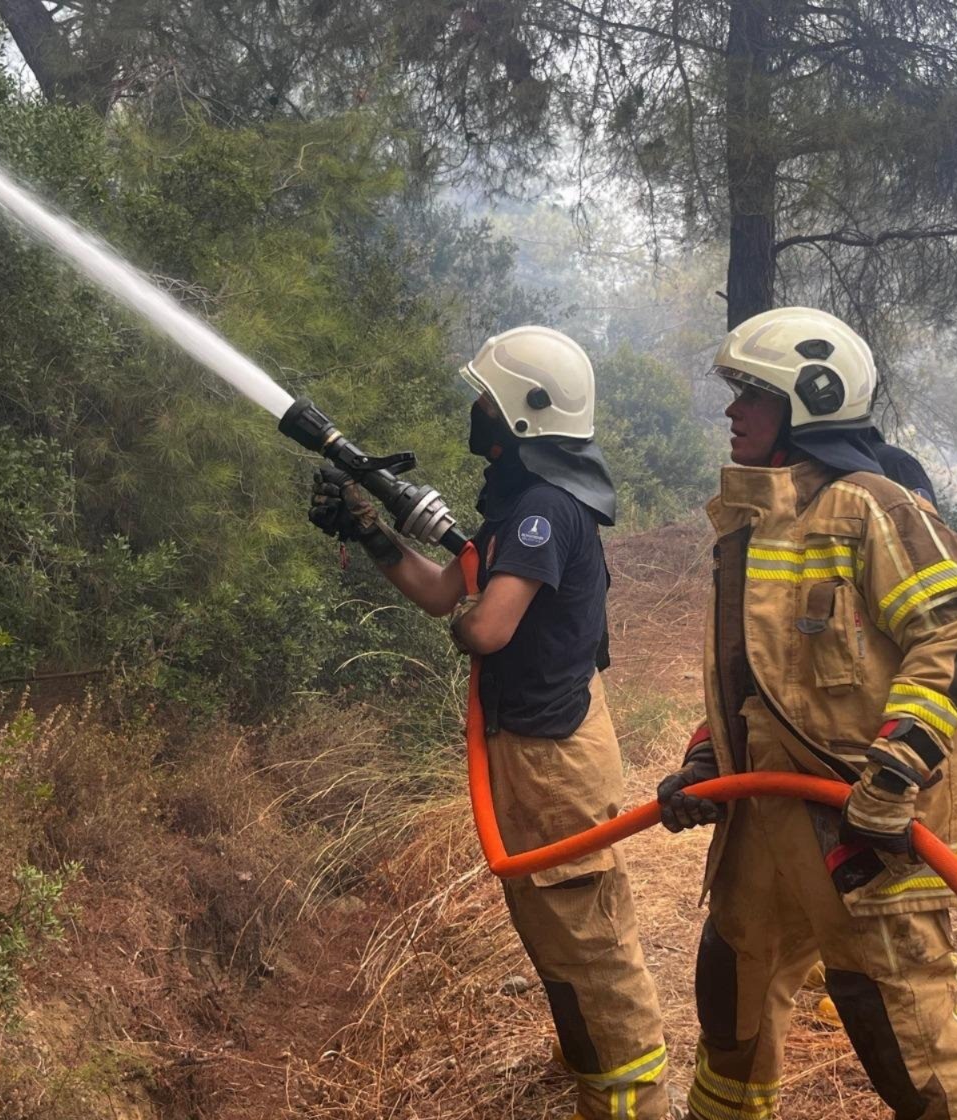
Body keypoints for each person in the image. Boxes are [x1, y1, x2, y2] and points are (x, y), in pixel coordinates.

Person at [308, 326, 672, 1120]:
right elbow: (447, 590)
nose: (473, 406)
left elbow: (483, 625)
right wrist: (370, 532)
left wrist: (469, 623)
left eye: (485, 395)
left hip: (555, 760)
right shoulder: (524, 503)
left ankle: (635, 1102)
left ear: (520, 415)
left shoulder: (544, 510)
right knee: (556, 934)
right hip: (534, 747)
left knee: (593, 947)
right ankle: (591, 1077)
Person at [656, 307, 957, 1120]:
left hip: (861, 825)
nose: (731, 410)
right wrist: (711, 756)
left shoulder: (871, 506)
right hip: (767, 811)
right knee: (731, 991)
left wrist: (895, 772)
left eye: (751, 393)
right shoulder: (754, 520)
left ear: (807, 400)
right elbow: (755, 671)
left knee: (903, 1035)